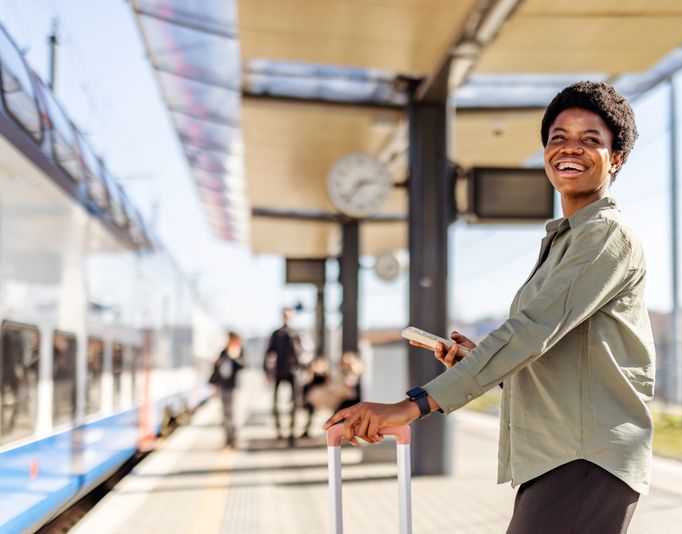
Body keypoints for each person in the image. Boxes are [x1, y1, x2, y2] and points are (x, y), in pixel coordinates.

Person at [325, 81, 655, 534]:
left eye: (590, 140)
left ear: (616, 158)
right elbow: (555, 358)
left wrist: (411, 406)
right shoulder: (567, 239)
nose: (569, 149)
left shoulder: (604, 234)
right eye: (558, 137)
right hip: (562, 459)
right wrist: (475, 359)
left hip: (587, 461)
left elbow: (529, 332)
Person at [264, 307, 301, 442]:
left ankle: (292, 431)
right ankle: (279, 430)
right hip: (279, 371)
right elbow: (269, 353)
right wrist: (267, 372)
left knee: (295, 403)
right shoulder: (277, 334)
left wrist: (303, 369)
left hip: (293, 372)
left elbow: (301, 353)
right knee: (276, 403)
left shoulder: (295, 333)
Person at [210, 332, 245, 449]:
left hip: (233, 385)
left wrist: (234, 357)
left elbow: (243, 365)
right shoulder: (224, 351)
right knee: (225, 413)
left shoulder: (239, 350)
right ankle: (227, 438)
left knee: (232, 412)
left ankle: (233, 438)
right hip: (223, 385)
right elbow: (216, 367)